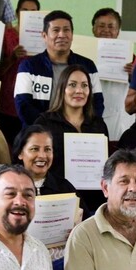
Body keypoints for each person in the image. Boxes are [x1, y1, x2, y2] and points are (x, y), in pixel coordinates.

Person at [12, 124, 88, 270]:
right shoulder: (6, 184)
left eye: (48, 150)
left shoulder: (64, 186)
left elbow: (84, 224)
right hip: (20, 268)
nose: (42, 156)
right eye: (34, 149)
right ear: (20, 153)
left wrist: (78, 228)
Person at [33, 65, 108, 211]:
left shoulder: (98, 124)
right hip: (57, 197)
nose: (79, 91)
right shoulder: (44, 123)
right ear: (62, 89)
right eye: (72, 85)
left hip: (94, 200)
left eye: (84, 85)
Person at [15, 10, 104, 125]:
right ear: (44, 35)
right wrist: (49, 130)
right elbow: (23, 106)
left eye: (66, 30)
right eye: (56, 30)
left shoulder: (88, 66)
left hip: (78, 134)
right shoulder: (28, 67)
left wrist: (82, 128)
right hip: (40, 136)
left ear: (72, 35)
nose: (61, 35)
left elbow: (97, 103)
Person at [0, 0, 40, 143]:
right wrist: (12, 58)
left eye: (33, 12)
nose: (28, 15)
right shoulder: (6, 35)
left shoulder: (45, 37)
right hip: (8, 100)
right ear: (16, 13)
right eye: (24, 11)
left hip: (34, 98)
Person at [91, 7, 136, 141]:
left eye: (111, 26)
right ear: (94, 29)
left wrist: (132, 75)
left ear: (117, 31)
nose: (106, 30)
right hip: (92, 117)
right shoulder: (83, 57)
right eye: (101, 26)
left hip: (121, 121)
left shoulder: (131, 58)